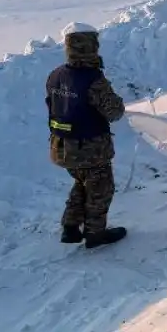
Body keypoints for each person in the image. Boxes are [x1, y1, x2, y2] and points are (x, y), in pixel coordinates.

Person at [46, 22, 127, 248]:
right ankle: (95, 234)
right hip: (90, 148)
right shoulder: (93, 80)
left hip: (61, 146)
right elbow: (114, 112)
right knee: (101, 189)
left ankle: (70, 228)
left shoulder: (56, 75)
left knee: (82, 182)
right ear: (91, 46)